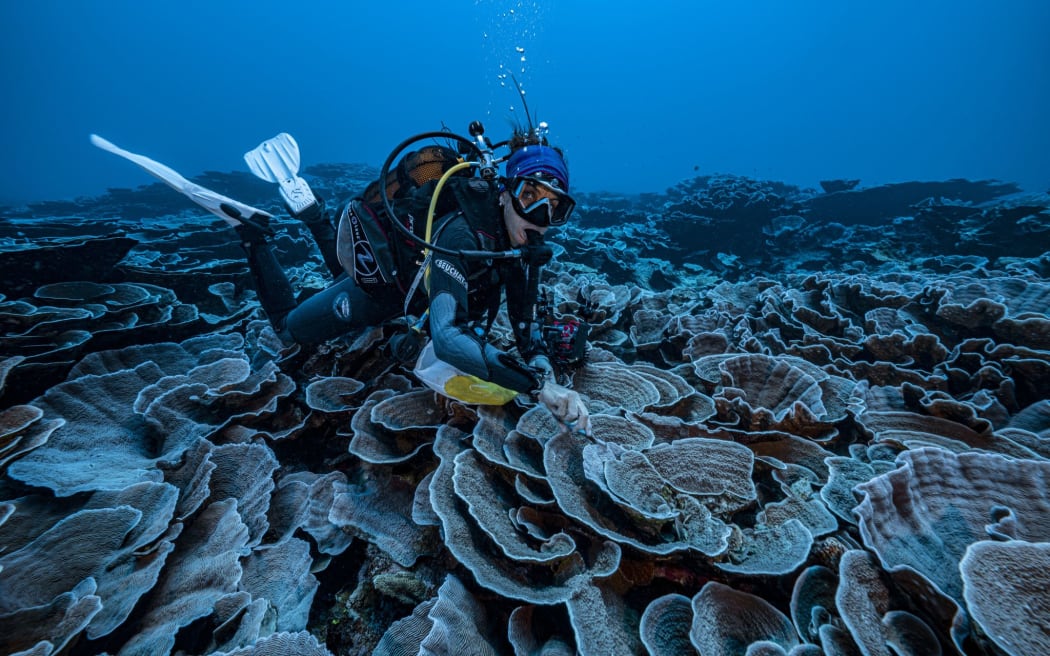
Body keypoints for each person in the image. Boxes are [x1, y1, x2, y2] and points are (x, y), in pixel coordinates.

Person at [230, 124, 592, 436]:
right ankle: (251, 234)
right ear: (504, 193)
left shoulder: (522, 251)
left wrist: (551, 380)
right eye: (529, 195)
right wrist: (539, 388)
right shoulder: (463, 236)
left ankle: (315, 215)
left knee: (343, 273)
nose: (540, 216)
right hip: (386, 291)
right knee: (289, 330)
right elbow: (449, 339)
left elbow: (528, 337)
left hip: (411, 292)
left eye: (554, 206)